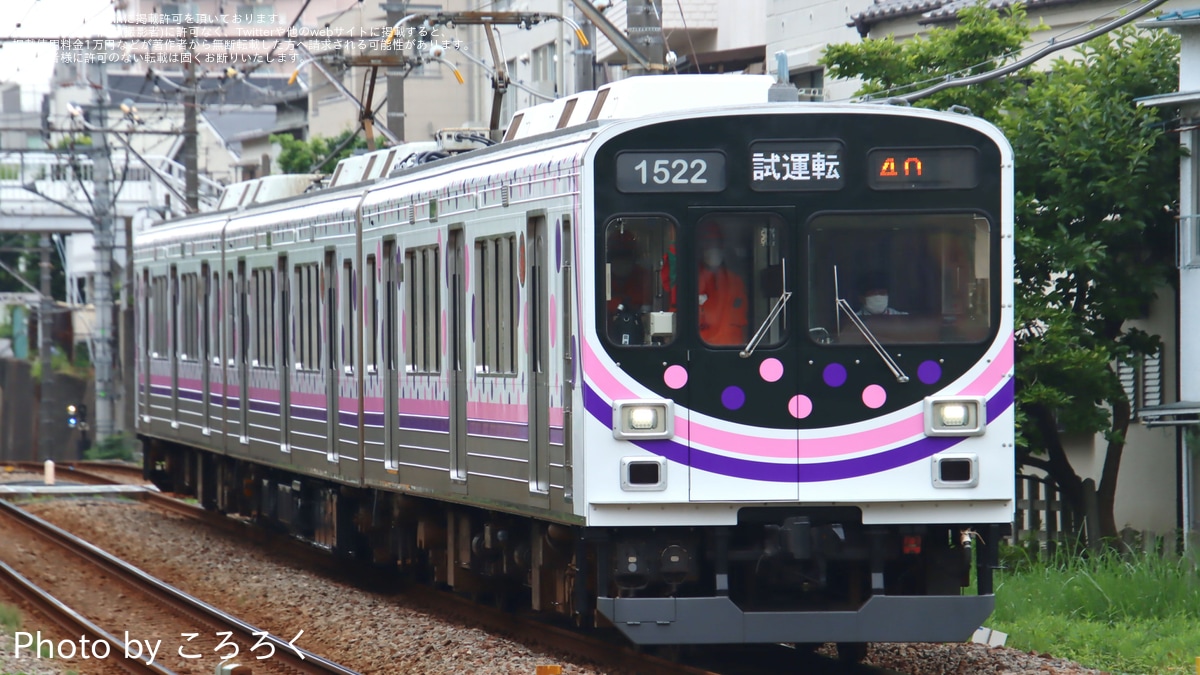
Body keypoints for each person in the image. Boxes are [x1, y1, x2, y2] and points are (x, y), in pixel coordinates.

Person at [697, 225, 748, 345]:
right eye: (709, 246)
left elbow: (740, 315)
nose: (713, 250)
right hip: (703, 346)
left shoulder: (735, 281)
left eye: (716, 246)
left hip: (732, 346)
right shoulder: (694, 280)